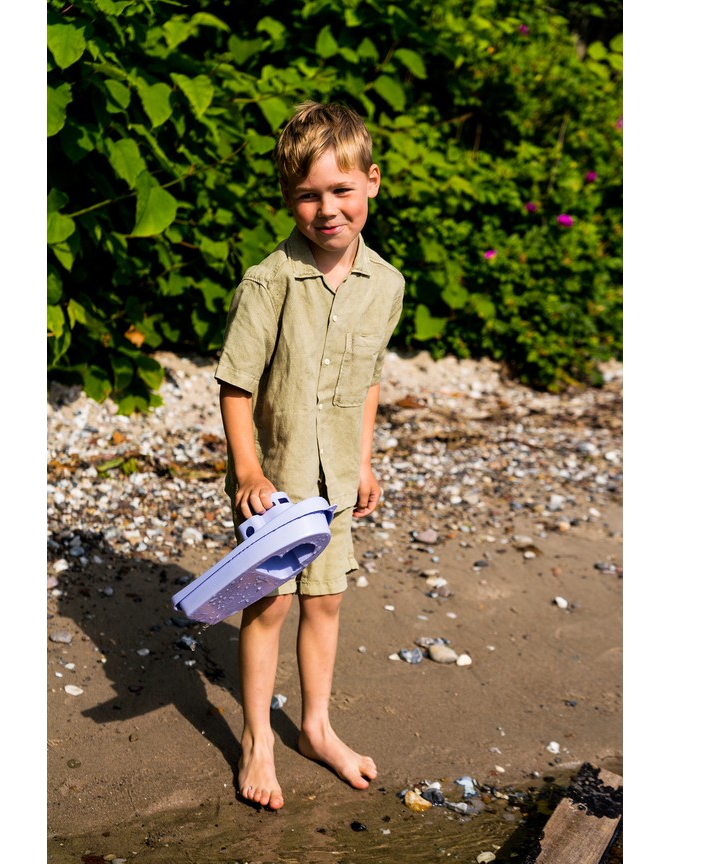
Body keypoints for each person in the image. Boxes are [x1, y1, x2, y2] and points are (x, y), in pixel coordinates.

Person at [213, 101, 404, 810]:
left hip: (338, 481)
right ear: (289, 198)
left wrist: (365, 458)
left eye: (341, 190)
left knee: (325, 601)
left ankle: (316, 727)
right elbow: (236, 384)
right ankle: (259, 735)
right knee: (269, 604)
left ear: (371, 183)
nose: (327, 209)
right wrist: (248, 471)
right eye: (308, 194)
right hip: (279, 481)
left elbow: (368, 378)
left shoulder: (386, 284)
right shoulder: (268, 282)